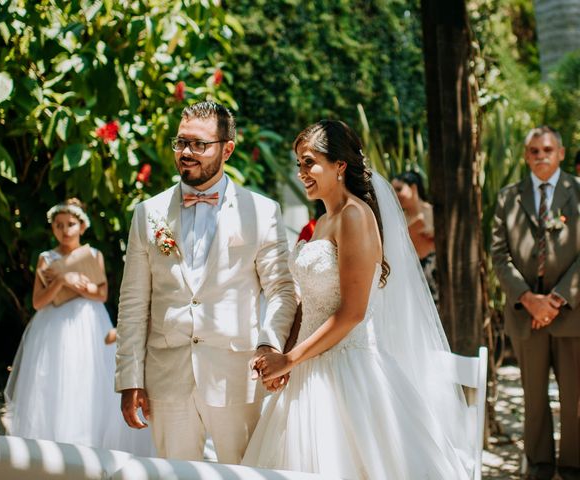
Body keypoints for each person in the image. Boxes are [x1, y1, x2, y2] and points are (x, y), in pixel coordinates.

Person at [242, 120, 473, 479]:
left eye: (309, 162)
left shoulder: (354, 216)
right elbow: (310, 303)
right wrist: (282, 354)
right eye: (298, 164)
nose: (301, 172)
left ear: (339, 166)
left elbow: (352, 313)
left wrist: (289, 359)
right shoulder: (322, 222)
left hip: (348, 373)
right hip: (309, 368)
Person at [115, 101, 296, 464]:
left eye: (199, 144)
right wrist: (129, 377)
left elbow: (282, 289)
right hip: (167, 378)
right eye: (181, 143)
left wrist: (269, 344)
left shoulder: (261, 212)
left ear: (227, 149)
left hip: (236, 375)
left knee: (245, 473)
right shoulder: (147, 213)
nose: (186, 153)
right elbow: (133, 301)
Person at [4, 199, 153, 455]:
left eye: (70, 224)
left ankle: (90, 443)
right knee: (54, 378)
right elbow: (38, 302)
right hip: (53, 328)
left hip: (88, 324)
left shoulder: (94, 255)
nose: (65, 230)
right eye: (58, 225)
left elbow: (102, 293)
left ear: (82, 226)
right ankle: (53, 446)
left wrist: (84, 287)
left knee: (89, 375)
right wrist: (61, 280)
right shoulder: (46, 259)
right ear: (52, 228)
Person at [491, 126, 580, 480]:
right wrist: (529, 299)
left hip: (571, 312)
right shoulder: (508, 197)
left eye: (547, 149)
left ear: (560, 153)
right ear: (526, 156)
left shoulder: (578, 191)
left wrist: (557, 299)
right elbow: (499, 254)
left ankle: (573, 467)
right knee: (533, 398)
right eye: (533, 151)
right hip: (526, 313)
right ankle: (540, 467)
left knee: (574, 400)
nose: (540, 156)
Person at [392, 171, 438, 304]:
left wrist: (434, 234)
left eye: (399, 189)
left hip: (437, 272)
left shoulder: (433, 212)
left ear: (413, 188)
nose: (396, 194)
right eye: (393, 190)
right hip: (413, 276)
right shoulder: (398, 220)